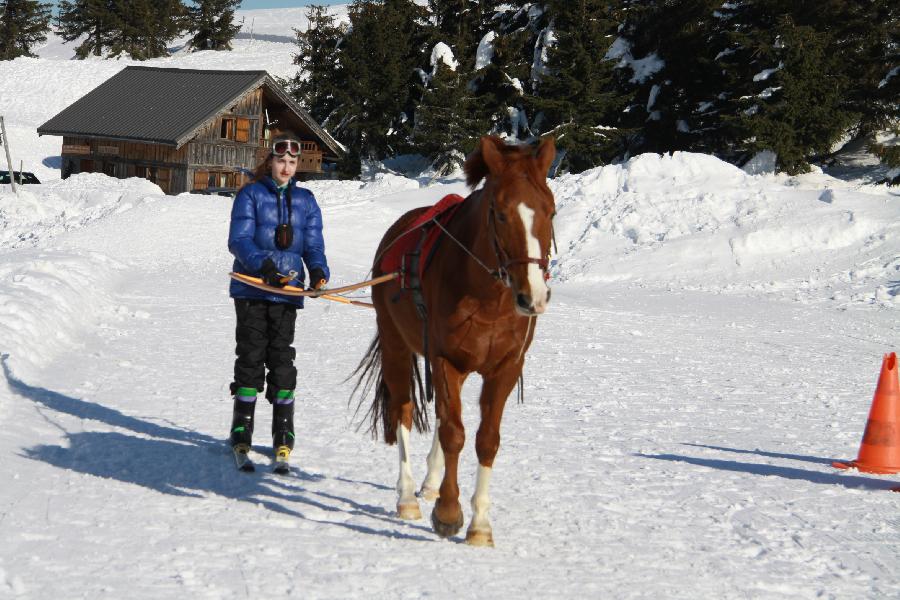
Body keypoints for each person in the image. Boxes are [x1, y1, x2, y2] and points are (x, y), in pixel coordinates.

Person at [226, 132, 330, 465]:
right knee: (251, 357)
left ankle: (283, 431)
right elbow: (239, 241)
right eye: (281, 161)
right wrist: (264, 267)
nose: (286, 168)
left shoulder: (307, 201)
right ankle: (241, 429)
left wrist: (318, 272)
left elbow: (313, 245)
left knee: (282, 360)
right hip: (253, 289)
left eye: (292, 162)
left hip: (287, 292)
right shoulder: (250, 195)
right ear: (270, 161)